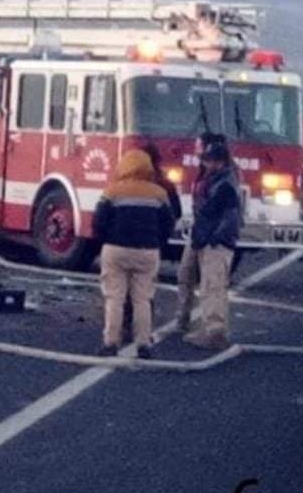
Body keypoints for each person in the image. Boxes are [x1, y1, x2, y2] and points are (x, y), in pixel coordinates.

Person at [93, 150, 174, 359]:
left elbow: (98, 222)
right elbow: (168, 224)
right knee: (143, 299)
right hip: (147, 251)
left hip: (116, 249)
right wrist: (157, 242)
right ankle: (144, 344)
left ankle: (111, 342)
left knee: (114, 298)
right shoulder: (159, 193)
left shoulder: (112, 191)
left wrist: (105, 240)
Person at [184, 143, 240, 351]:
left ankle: (214, 331)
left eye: (209, 160)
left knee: (212, 287)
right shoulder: (223, 181)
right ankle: (212, 329)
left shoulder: (222, 185)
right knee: (211, 286)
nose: (206, 164)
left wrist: (213, 238)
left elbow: (227, 217)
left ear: (219, 161)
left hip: (216, 243)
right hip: (214, 241)